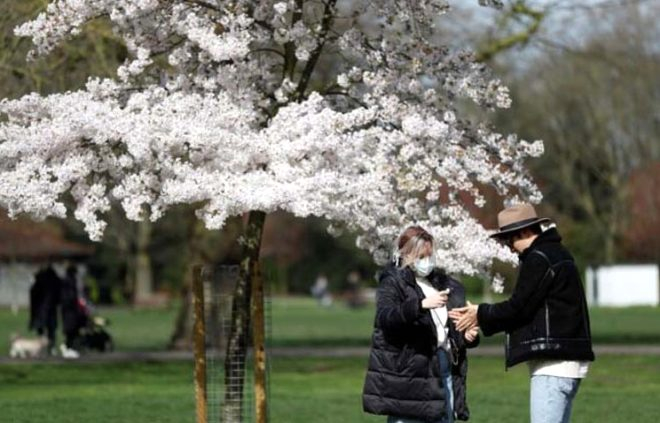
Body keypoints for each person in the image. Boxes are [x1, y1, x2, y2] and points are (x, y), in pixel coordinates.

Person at [449, 203, 595, 423]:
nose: (508, 246)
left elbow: (518, 307)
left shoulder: (539, 258)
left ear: (526, 232)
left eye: (509, 239)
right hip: (565, 361)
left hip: (553, 365)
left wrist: (479, 313)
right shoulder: (556, 253)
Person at [363, 226, 479, 423]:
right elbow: (386, 317)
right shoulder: (393, 282)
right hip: (409, 370)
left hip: (443, 365)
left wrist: (468, 336)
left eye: (429, 255)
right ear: (405, 254)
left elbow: (447, 328)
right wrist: (420, 305)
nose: (427, 262)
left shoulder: (445, 285)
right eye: (420, 256)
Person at [29, 264, 62, 355]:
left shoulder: (39, 282)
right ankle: (50, 347)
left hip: (41, 310)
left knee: (42, 330)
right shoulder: (54, 282)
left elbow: (33, 295)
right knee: (50, 330)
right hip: (48, 310)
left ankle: (43, 347)